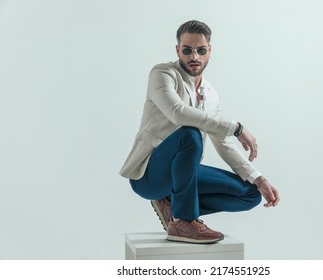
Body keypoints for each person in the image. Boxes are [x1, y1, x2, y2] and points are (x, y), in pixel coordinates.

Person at [119, 20, 280, 244]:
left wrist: (259, 178)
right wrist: (237, 128)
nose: (194, 57)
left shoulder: (211, 94)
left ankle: (173, 208)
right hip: (149, 176)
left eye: (200, 50)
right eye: (187, 50)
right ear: (178, 50)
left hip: (183, 173)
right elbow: (178, 113)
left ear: (209, 51)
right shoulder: (162, 74)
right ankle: (184, 221)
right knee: (189, 134)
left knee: (250, 194)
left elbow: (222, 143)